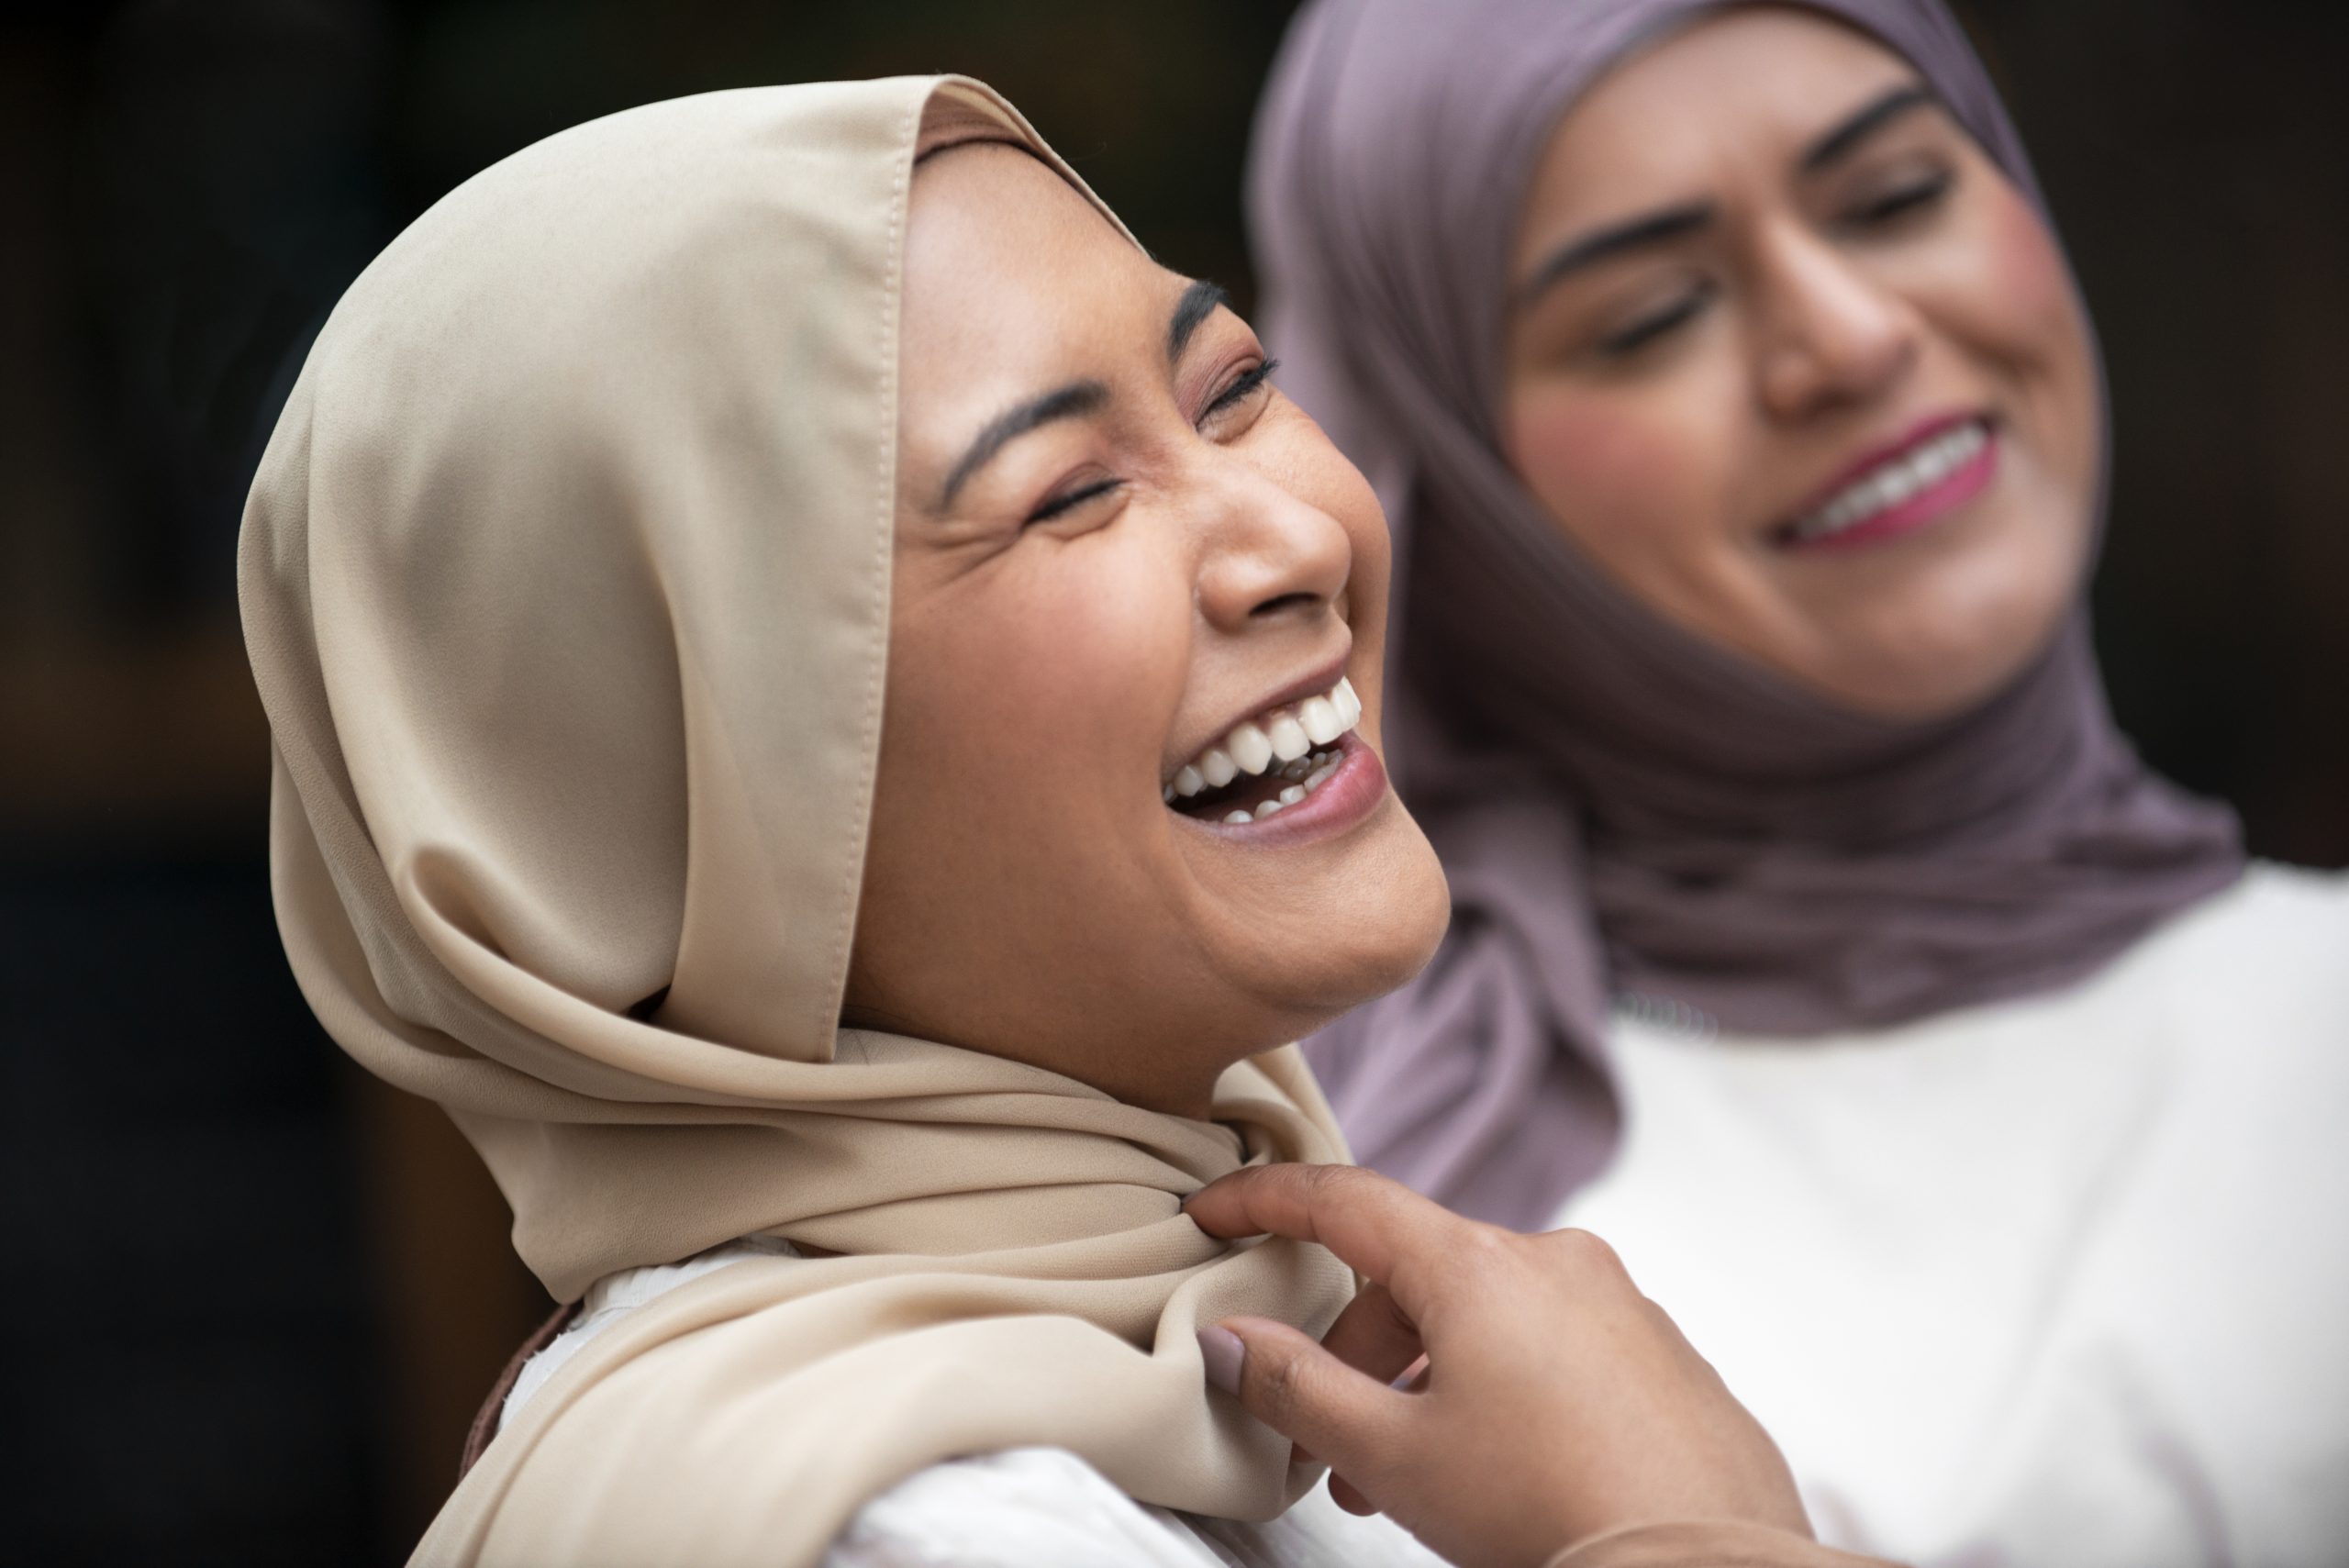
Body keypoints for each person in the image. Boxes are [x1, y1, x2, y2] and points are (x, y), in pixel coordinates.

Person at [239, 73, 1893, 1568]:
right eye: (1069, 495)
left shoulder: (1252, 1370)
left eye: (1233, 386)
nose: (1292, 541)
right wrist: (1684, 1536)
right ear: (678, 785)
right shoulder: (886, 1520)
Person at [1249, 2, 2349, 1563]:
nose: (1847, 338)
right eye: (1650, 315)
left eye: (1897, 198)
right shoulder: (1296, 1170)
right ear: (1453, 477)